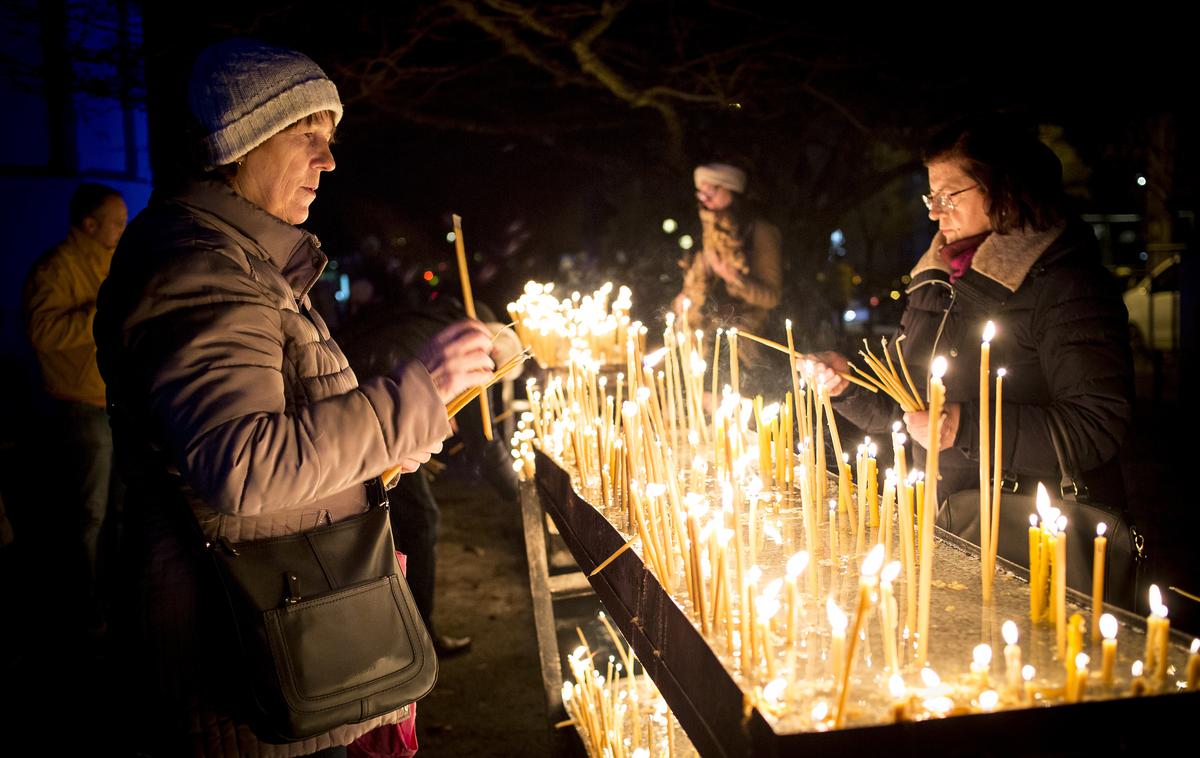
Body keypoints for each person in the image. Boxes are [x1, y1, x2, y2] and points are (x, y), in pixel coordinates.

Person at [94, 38, 495, 757]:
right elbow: (245, 467)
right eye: (307, 134)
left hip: (281, 634)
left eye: (331, 139)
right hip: (243, 659)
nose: (329, 159)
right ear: (240, 140)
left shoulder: (248, 265)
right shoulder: (200, 271)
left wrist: (397, 444)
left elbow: (283, 448)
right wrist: (419, 391)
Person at [809, 114, 1133, 511]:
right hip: (948, 522)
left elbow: (1094, 426)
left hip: (1029, 533)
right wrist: (848, 384)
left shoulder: (1066, 285)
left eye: (948, 196)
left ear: (1004, 189)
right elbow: (906, 406)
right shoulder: (936, 281)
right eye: (931, 198)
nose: (934, 213)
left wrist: (964, 426)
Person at [22, 182, 128, 636]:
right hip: (80, 410)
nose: (123, 230)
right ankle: (86, 612)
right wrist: (103, 312)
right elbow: (43, 332)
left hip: (116, 404)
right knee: (89, 516)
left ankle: (119, 600)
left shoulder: (111, 262)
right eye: (116, 223)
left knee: (122, 511)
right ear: (89, 224)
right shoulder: (54, 268)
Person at [674, 162, 782, 376]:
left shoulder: (760, 232)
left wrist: (734, 279)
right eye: (700, 193)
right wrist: (686, 297)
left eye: (711, 191)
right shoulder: (706, 231)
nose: (704, 199)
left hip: (742, 349)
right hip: (704, 341)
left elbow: (772, 297)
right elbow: (699, 283)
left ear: (731, 190)